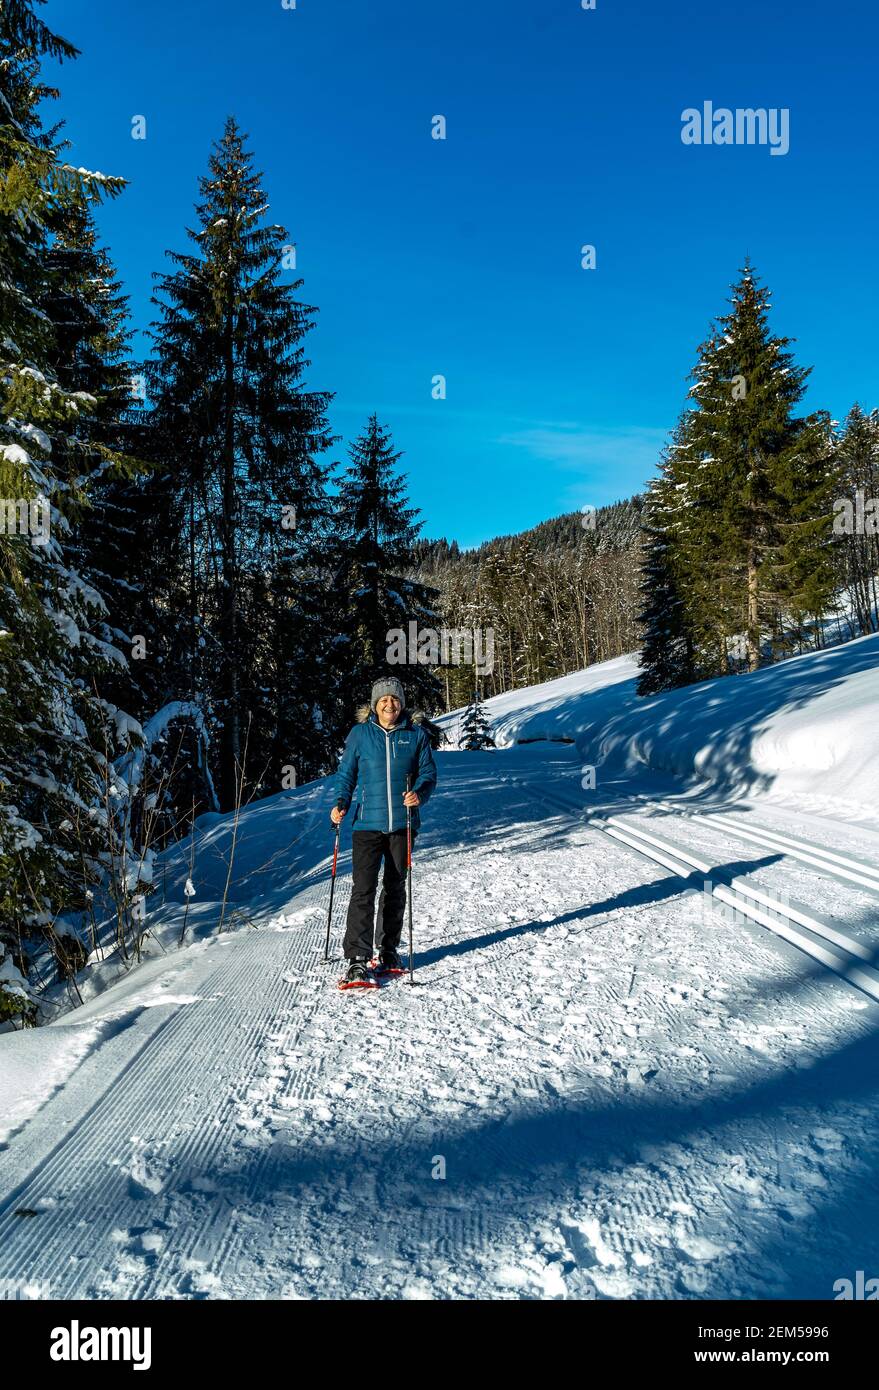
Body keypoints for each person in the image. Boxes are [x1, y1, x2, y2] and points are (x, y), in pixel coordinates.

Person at [331, 677, 438, 988]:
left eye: (394, 699)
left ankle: (388, 950)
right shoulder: (360, 735)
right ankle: (357, 960)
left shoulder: (415, 735)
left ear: (401, 703)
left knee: (395, 889)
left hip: (403, 825)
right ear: (374, 706)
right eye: (383, 700)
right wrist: (341, 803)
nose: (389, 704)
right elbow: (346, 773)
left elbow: (428, 773)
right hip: (366, 824)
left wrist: (419, 793)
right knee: (363, 890)